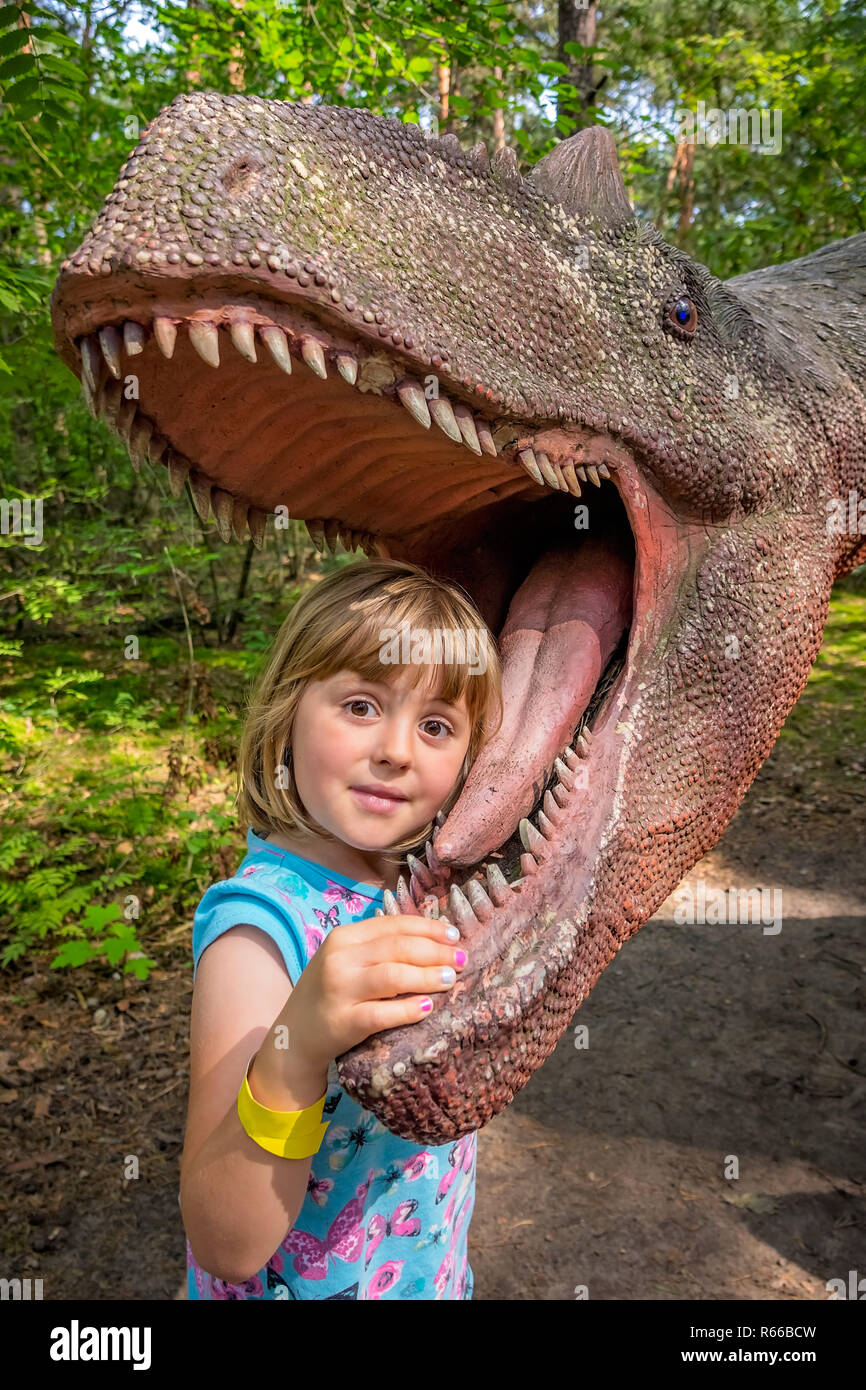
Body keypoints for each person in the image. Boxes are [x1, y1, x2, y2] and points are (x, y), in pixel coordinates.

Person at [179, 557, 503, 1300]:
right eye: (361, 706)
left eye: (436, 725)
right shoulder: (258, 930)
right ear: (288, 714)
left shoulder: (423, 888)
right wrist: (297, 1046)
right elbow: (226, 1240)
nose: (396, 750)